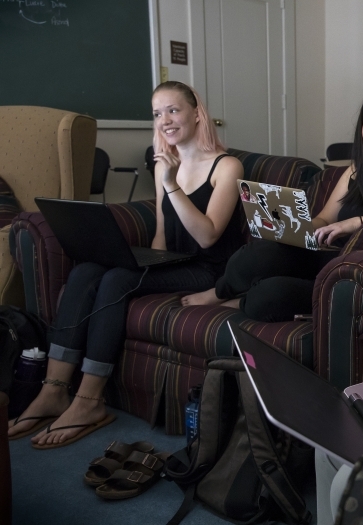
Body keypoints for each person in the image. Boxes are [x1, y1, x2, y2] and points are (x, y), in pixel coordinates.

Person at [8, 81, 245, 447]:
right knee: (87, 271)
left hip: (209, 270)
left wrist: (171, 184)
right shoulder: (165, 164)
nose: (165, 120)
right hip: (175, 262)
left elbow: (208, 236)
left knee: (118, 280)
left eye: (173, 110)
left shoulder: (227, 166)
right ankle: (54, 389)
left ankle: (89, 401)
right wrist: (147, 262)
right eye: (157, 113)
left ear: (197, 113)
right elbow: (163, 235)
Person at [181, 83, 363, 323]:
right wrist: (290, 224)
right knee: (257, 253)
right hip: (327, 256)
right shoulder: (358, 168)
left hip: (357, 275)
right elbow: (325, 219)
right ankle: (219, 293)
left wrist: (362, 223)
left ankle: (242, 302)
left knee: (270, 295)